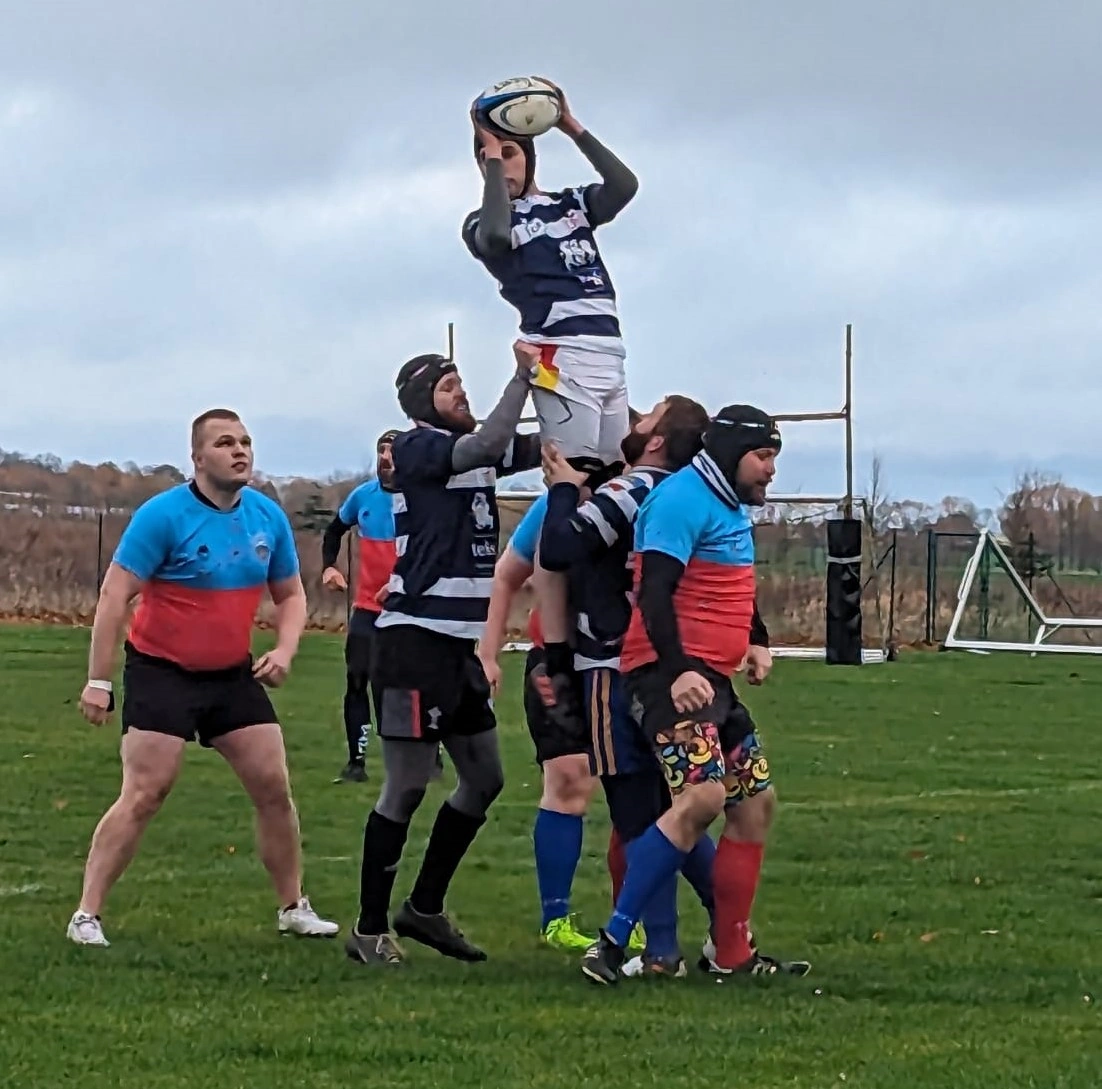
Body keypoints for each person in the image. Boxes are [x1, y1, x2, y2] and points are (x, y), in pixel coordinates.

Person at [69, 408, 339, 948]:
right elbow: (115, 595)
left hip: (230, 677)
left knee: (273, 787)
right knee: (146, 791)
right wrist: (99, 680)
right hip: (161, 671)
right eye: (224, 443)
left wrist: (285, 649)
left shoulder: (266, 518)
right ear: (197, 458)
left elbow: (291, 596)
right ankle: (86, 915)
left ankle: (293, 907)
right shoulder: (163, 516)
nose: (239, 451)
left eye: (245, 441)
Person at [580, 405, 811, 984]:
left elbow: (729, 586)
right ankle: (612, 941)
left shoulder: (727, 503)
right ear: (731, 454)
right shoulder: (681, 500)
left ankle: (730, 953)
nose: (770, 472)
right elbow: (654, 593)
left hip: (714, 680)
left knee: (754, 803)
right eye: (764, 458)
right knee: (703, 798)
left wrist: (755, 639)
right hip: (667, 677)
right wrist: (679, 669)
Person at [345, 342, 542, 968]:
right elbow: (484, 447)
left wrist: (601, 411)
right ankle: (369, 929)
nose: (461, 391)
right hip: (412, 642)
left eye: (462, 381)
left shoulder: (477, 447)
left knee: (485, 779)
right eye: (448, 385)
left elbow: (553, 446)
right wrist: (524, 374)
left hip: (456, 648)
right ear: (421, 403)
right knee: (405, 786)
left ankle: (423, 908)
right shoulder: (417, 446)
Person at [463, 78, 641, 748]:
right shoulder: (481, 222)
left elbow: (624, 188)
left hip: (610, 353)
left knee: (617, 489)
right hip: (559, 354)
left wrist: (571, 127)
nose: (504, 162)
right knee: (570, 491)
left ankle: (615, 620)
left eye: (512, 153)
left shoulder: (568, 205)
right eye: (492, 155)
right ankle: (560, 659)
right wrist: (488, 168)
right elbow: (501, 234)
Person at [539, 396, 721, 978]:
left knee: (640, 813)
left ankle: (661, 947)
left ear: (658, 441)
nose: (634, 416)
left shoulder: (639, 487)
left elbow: (562, 547)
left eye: (646, 416)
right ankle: (731, 932)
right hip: (668, 671)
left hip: (611, 666)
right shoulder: (689, 499)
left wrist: (565, 489)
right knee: (681, 811)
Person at [320, 428, 400, 784]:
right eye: (381, 450)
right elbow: (333, 530)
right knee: (357, 681)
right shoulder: (363, 497)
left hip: (410, 611)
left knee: (411, 685)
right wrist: (329, 567)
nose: (386, 458)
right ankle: (356, 762)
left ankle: (428, 758)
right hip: (368, 609)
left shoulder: (423, 499)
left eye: (393, 451)